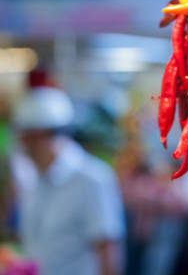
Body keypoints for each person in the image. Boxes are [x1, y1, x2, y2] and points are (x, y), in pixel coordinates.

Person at [13, 86, 125, 275]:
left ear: (52, 135)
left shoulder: (92, 178)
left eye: (31, 139)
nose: (26, 148)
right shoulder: (32, 178)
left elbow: (107, 248)